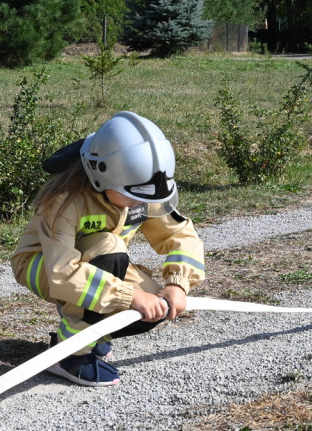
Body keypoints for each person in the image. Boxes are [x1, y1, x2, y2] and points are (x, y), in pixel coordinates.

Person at [11, 111, 206, 386]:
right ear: (101, 174)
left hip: (95, 263)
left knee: (153, 305)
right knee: (111, 249)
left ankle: (91, 333)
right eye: (131, 195)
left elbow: (179, 233)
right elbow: (62, 273)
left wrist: (178, 284)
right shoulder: (65, 201)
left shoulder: (137, 190)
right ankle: (70, 355)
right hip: (43, 266)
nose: (137, 203)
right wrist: (128, 297)